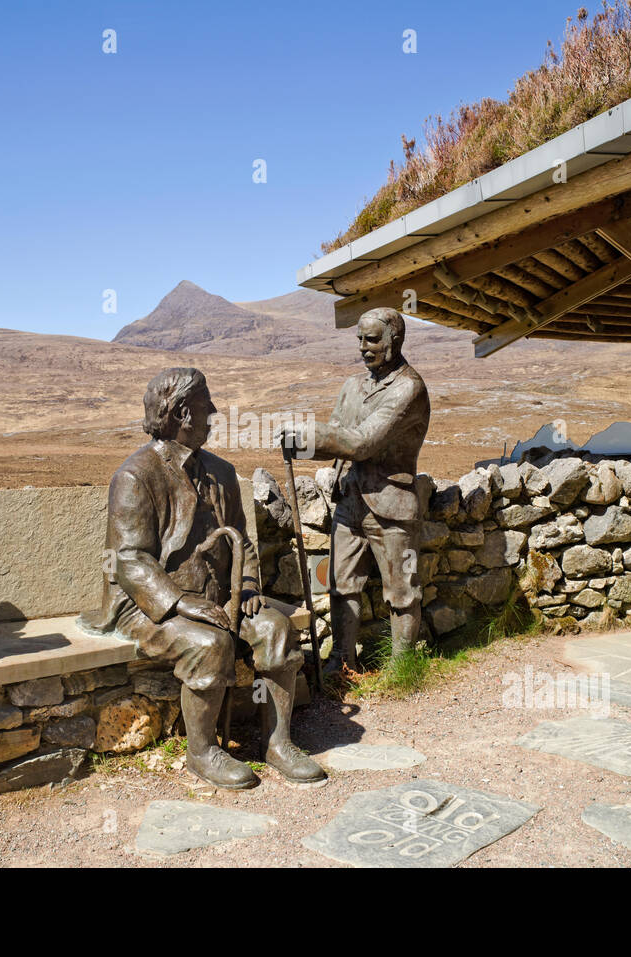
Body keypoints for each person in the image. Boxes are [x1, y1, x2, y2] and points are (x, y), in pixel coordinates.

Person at [78, 367, 326, 789]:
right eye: (204, 405)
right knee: (209, 644)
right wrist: (178, 602)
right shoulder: (136, 475)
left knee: (276, 629)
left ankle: (277, 743)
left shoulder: (223, 472)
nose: (213, 411)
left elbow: (243, 541)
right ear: (179, 414)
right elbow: (130, 560)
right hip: (147, 605)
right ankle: (202, 752)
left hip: (222, 595)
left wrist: (247, 586)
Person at [279, 307, 430, 672]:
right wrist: (304, 446)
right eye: (360, 339)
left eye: (373, 339)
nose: (363, 347)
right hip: (350, 501)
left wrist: (307, 436)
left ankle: (403, 667)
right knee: (341, 585)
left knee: (401, 592)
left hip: (391, 505)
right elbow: (339, 434)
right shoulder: (352, 386)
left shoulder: (409, 388)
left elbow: (363, 443)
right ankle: (342, 660)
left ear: (395, 340)